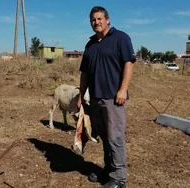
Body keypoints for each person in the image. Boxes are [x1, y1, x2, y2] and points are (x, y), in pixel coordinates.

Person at [77, 6, 136, 188]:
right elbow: (84, 73)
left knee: (115, 138)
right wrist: (81, 95)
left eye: (100, 18)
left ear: (108, 20)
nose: (97, 22)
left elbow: (128, 63)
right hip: (95, 98)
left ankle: (119, 178)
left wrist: (122, 90)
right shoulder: (90, 45)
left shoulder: (120, 38)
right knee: (104, 137)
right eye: (93, 20)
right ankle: (109, 170)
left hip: (113, 98)